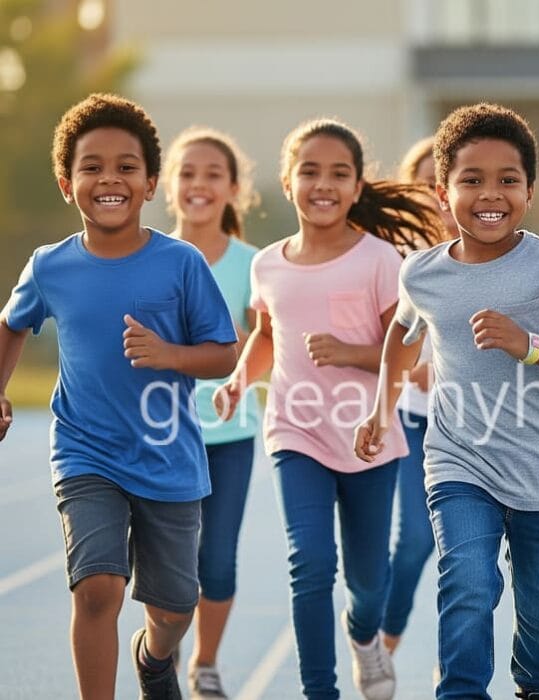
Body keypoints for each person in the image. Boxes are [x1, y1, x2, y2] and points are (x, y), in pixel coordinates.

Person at [354, 102, 539, 700]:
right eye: (471, 180)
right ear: (443, 195)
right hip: (459, 461)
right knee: (467, 583)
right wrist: (381, 409)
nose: (490, 194)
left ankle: (537, 685)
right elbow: (403, 334)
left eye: (507, 180)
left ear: (529, 191)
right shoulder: (421, 272)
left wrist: (528, 345)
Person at [0, 93, 237, 699]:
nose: (109, 179)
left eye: (126, 167)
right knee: (97, 588)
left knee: (175, 608)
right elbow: (11, 324)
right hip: (85, 453)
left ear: (150, 183)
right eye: (92, 167)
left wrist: (171, 355)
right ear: (66, 184)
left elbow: (224, 354)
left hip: (167, 459)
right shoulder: (49, 267)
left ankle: (154, 659)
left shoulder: (181, 263)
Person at [214, 118, 444, 700]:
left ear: (357, 186)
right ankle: (320, 690)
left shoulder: (381, 260)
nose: (323, 184)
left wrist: (350, 352)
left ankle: (365, 637)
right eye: (310, 171)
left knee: (369, 584)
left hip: (370, 437)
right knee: (310, 564)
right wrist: (240, 379)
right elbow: (267, 334)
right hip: (296, 433)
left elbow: (406, 349)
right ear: (287, 183)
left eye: (339, 173)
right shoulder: (268, 265)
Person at [164, 126, 261, 699]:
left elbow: (265, 344)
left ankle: (204, 664)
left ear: (233, 189)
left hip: (229, 435)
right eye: (187, 173)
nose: (198, 184)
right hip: (157, 434)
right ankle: (163, 655)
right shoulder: (148, 255)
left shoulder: (253, 264)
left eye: (212, 174)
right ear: (168, 185)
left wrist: (233, 356)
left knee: (217, 560)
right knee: (167, 562)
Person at [381, 136, 458, 656]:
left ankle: (457, 661)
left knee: (467, 552)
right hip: (413, 419)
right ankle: (383, 638)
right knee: (415, 538)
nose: (437, 195)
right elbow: (385, 335)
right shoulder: (396, 255)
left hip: (478, 421)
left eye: (444, 181)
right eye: (426, 183)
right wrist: (413, 371)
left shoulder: (494, 247)